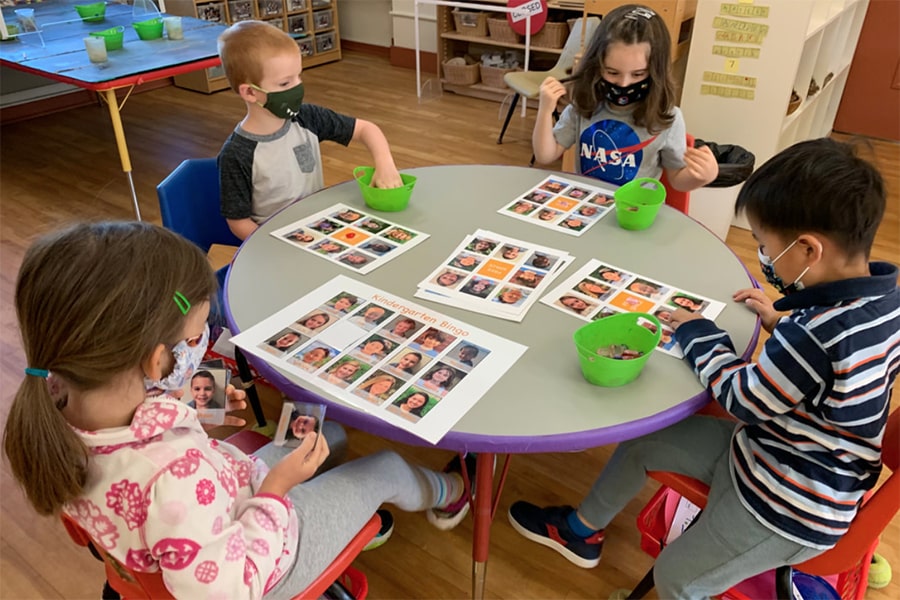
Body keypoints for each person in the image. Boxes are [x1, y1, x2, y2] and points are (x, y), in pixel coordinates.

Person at [3, 221, 483, 598]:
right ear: (154, 361)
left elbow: (144, 432)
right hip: (263, 562)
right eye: (194, 340)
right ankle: (457, 492)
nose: (204, 346)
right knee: (387, 468)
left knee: (327, 436)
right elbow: (229, 588)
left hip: (215, 500)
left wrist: (194, 404)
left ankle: (343, 512)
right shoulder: (173, 478)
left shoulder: (59, 400)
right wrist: (276, 491)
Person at [507, 139, 900, 598]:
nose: (763, 255)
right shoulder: (882, 300)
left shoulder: (814, 336)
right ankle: (579, 530)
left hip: (786, 506)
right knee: (644, 442)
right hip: (784, 458)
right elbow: (839, 368)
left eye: (765, 245)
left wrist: (698, 333)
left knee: (678, 578)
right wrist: (780, 322)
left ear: (809, 250)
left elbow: (743, 398)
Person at [216, 21, 403, 240]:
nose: (297, 87)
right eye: (285, 83)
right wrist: (276, 244)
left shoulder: (307, 118)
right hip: (277, 245)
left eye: (299, 76)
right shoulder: (236, 153)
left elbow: (366, 129)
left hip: (320, 230)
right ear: (250, 93)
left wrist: (385, 165)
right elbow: (238, 222)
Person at [532, 4, 717, 190]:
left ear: (655, 72)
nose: (624, 84)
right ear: (597, 65)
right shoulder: (585, 104)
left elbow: (677, 180)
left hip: (633, 213)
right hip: (586, 207)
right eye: (612, 72)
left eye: (637, 74)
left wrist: (701, 177)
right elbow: (545, 155)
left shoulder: (668, 118)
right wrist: (545, 110)